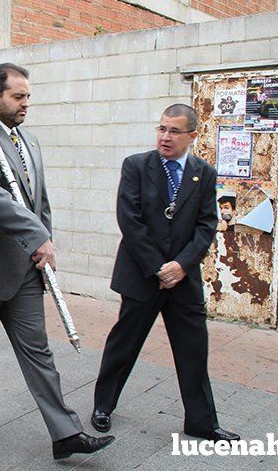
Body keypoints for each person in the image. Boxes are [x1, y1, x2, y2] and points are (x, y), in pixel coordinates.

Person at [0, 63, 114, 459]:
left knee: (38, 351)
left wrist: (46, 242)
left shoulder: (30, 140)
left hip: (26, 269)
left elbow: (39, 200)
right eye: (18, 96)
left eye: (28, 96)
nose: (27, 103)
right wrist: (36, 237)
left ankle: (66, 434)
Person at [91, 104, 239, 443]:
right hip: (143, 275)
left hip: (183, 280)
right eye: (161, 129)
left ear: (192, 135)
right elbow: (129, 219)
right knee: (124, 344)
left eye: (174, 131)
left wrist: (182, 265)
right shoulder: (137, 166)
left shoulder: (204, 173)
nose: (165, 137)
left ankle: (201, 421)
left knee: (193, 348)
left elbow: (206, 225)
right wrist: (157, 266)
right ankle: (103, 407)